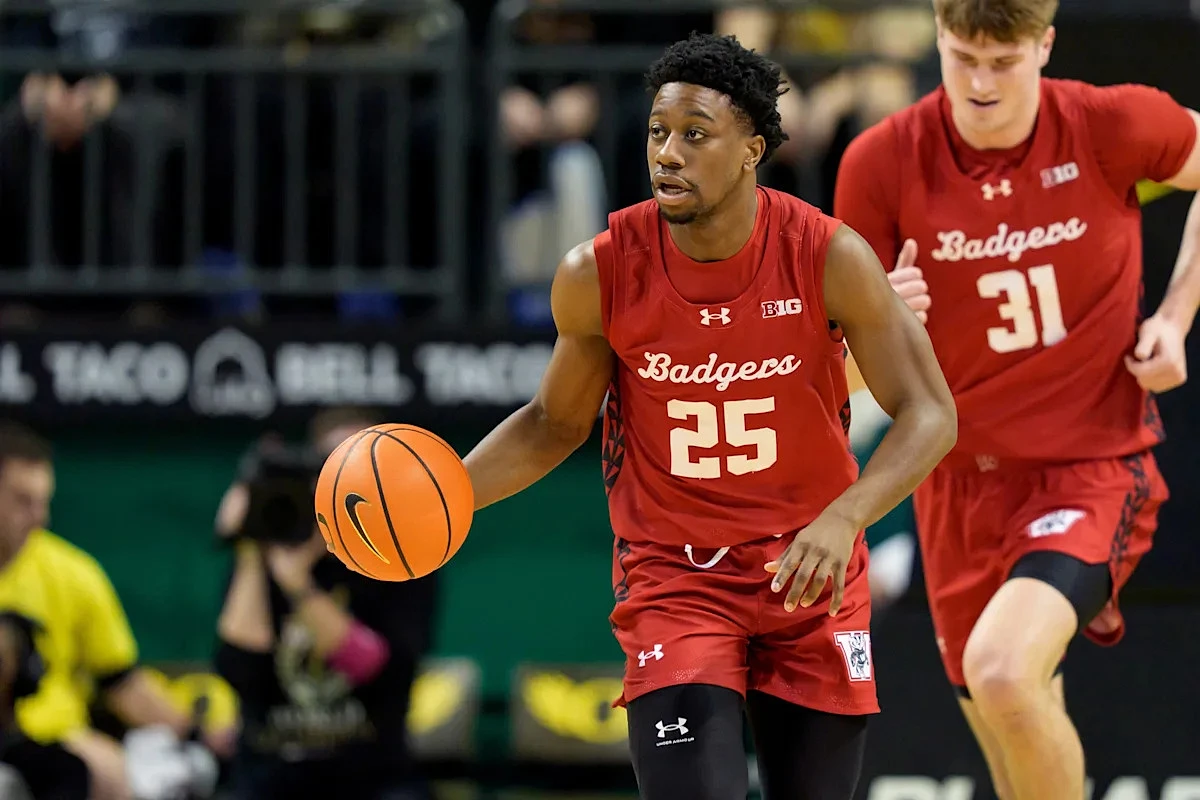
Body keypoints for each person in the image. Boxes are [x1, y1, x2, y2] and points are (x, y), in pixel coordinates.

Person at [460, 33, 957, 800]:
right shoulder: (599, 270)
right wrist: (449, 495)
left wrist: (846, 517)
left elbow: (930, 413)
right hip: (677, 580)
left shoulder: (829, 255)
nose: (668, 154)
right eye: (659, 132)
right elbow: (553, 423)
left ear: (753, 149)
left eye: (696, 134)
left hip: (808, 573)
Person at [832, 1, 1200, 798]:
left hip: (1088, 467)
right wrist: (884, 330)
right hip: (956, 487)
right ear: (938, 39)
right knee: (1007, 726)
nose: (981, 83)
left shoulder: (1108, 123)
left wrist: (1176, 315)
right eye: (962, 58)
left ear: (1045, 45)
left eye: (1002, 62)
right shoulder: (882, 161)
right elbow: (843, 380)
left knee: (1002, 671)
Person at [213, 407, 439, 800]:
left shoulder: (403, 560)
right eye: (336, 466)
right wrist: (249, 547)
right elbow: (239, 668)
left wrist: (298, 585)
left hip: (372, 776)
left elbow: (377, 669)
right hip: (269, 773)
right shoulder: (265, 554)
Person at [0, 421, 230, 800]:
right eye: (22, 501)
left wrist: (196, 733)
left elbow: (121, 682)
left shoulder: (72, 573)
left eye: (44, 501)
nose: (39, 517)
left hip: (55, 747)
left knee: (101, 768)